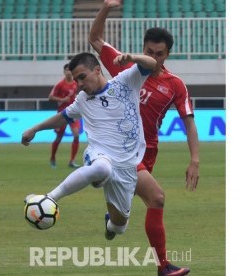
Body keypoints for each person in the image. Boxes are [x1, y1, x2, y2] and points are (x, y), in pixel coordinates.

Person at [88, 1, 200, 275]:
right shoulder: (126, 67)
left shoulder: (174, 85)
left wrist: (195, 159)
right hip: (119, 150)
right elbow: (94, 39)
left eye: (159, 53)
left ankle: (112, 221)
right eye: (149, 51)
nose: (154, 57)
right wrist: (105, 8)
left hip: (147, 153)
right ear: (143, 48)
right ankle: (163, 267)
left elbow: (188, 121)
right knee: (157, 198)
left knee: (119, 219)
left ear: (168, 54)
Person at [22, 52, 157, 240]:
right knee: (102, 168)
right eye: (76, 80)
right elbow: (63, 116)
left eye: (82, 77)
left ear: (97, 70)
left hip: (127, 166)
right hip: (98, 154)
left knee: (119, 227)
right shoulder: (82, 100)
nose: (79, 84)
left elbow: (152, 63)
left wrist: (133, 58)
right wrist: (36, 128)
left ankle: (110, 222)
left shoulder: (125, 82)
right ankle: (49, 197)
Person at [48, 63, 81, 169]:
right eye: (66, 70)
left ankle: (72, 161)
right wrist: (62, 100)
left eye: (70, 70)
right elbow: (51, 97)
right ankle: (52, 157)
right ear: (64, 72)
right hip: (62, 114)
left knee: (76, 135)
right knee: (59, 137)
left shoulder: (76, 83)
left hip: (73, 112)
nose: (68, 72)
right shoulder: (60, 84)